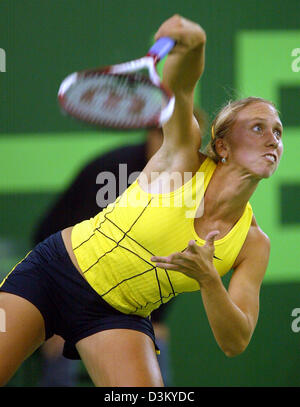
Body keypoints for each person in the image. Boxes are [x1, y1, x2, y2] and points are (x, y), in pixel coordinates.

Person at [0, 14, 283, 387]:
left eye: (278, 132)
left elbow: (236, 341)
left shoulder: (252, 244)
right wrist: (195, 42)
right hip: (55, 273)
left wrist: (210, 280)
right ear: (222, 146)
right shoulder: (183, 156)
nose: (272, 140)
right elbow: (180, 88)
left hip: (118, 316)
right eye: (258, 127)